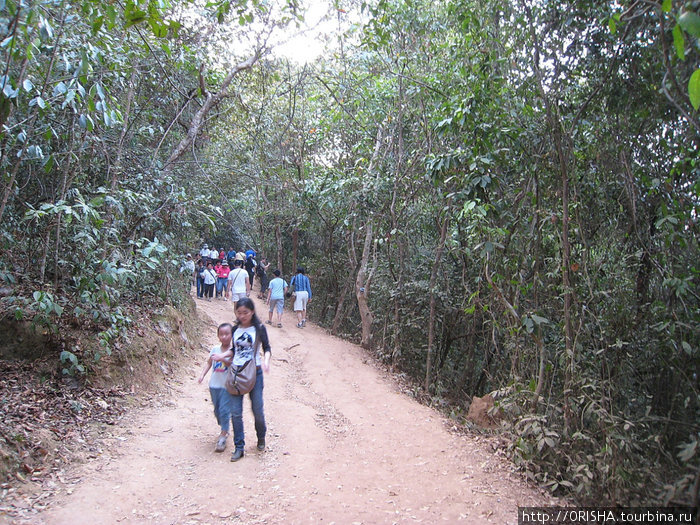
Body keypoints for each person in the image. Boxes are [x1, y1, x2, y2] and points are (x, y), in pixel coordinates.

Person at [212, 298, 271, 462]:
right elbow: (233, 349)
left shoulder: (259, 328)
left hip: (255, 373)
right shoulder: (235, 329)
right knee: (236, 413)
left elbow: (267, 348)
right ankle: (239, 447)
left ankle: (261, 436)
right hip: (236, 373)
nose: (242, 315)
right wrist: (221, 356)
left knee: (257, 409)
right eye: (239, 312)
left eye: (246, 312)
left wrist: (266, 361)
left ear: (252, 311)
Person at [198, 323, 234, 452]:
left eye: (227, 334)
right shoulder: (215, 349)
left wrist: (224, 359)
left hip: (227, 387)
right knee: (217, 410)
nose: (224, 337)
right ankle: (223, 424)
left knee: (224, 410)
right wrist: (202, 374)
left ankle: (223, 435)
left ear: (232, 335)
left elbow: (234, 366)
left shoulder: (233, 351)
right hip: (214, 385)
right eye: (221, 334)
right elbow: (209, 363)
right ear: (218, 336)